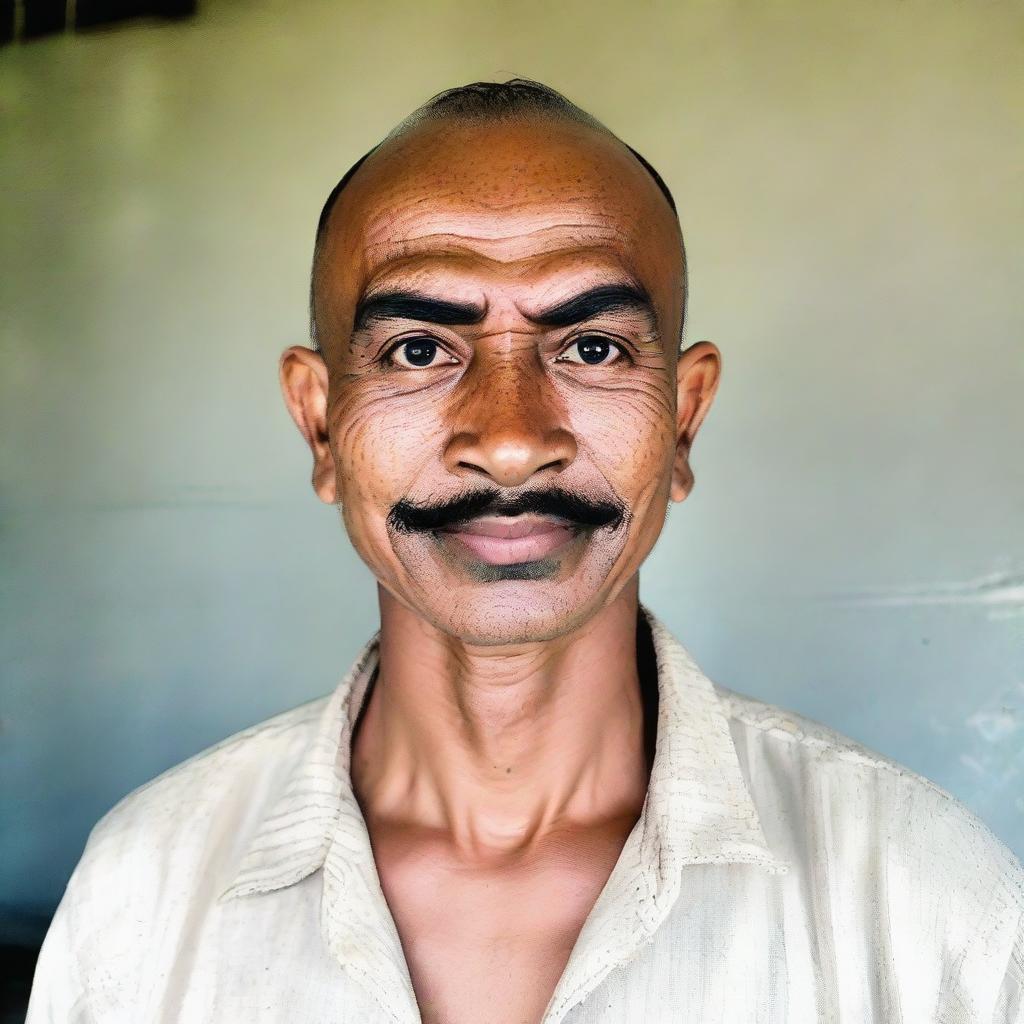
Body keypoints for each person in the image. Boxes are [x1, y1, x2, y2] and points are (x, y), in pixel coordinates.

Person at [27, 79, 1023, 1024]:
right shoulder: (145, 889)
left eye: (590, 348)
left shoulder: (922, 893)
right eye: (418, 349)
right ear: (321, 425)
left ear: (682, 421)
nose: (509, 436)